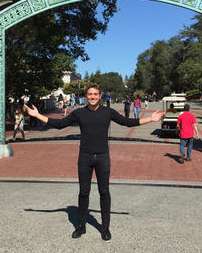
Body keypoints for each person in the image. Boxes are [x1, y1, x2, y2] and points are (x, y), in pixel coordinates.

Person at [25, 84, 164, 241]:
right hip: (85, 157)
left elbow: (127, 122)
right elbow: (59, 124)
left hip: (102, 157)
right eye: (90, 94)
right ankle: (81, 226)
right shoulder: (79, 113)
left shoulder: (108, 112)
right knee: (84, 192)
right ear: (86, 96)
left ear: (100, 96)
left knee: (104, 192)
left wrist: (151, 119)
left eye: (95, 94)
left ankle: (105, 228)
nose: (92, 97)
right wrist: (37, 115)